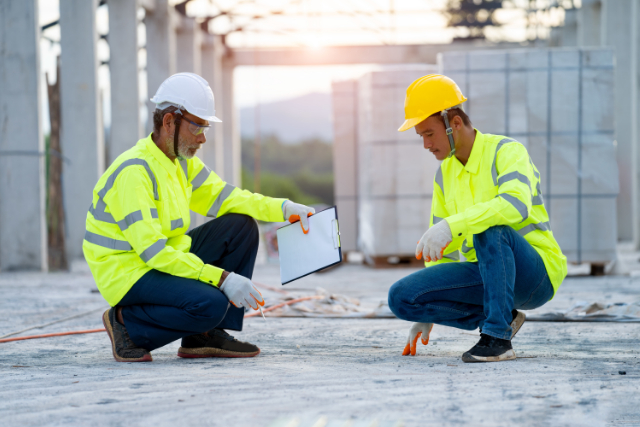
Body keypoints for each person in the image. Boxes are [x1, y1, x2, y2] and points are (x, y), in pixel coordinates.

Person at [83, 72, 314, 362]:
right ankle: (127, 325)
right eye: (197, 127)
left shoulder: (180, 163)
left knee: (240, 226)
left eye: (205, 128)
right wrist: (222, 278)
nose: (203, 138)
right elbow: (153, 252)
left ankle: (204, 336)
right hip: (129, 271)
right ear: (169, 122)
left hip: (159, 257)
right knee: (211, 304)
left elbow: (227, 198)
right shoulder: (135, 173)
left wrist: (283, 208)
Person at [387, 75, 567, 363]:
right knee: (402, 297)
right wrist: (430, 308)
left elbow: (515, 206)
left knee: (490, 227)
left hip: (534, 276)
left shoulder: (507, 152)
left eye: (429, 134)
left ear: (454, 123)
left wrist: (453, 225)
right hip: (486, 274)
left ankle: (497, 338)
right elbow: (440, 249)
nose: (425, 145)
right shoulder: (444, 175)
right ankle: (502, 316)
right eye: (420, 136)